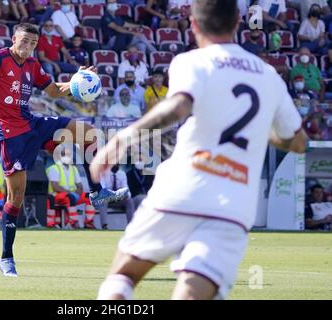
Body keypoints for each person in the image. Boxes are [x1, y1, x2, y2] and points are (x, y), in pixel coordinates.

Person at [90, 0, 308, 300]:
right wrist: (260, 131)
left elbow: (179, 105)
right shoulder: (268, 75)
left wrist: (122, 139)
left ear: (193, 24)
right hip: (232, 204)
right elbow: (298, 142)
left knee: (122, 278)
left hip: (182, 189)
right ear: (238, 23)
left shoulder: (192, 61)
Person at [0, 23, 129, 277]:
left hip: (32, 123)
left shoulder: (32, 66)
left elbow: (52, 90)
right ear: (14, 38)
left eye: (32, 43)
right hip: (10, 133)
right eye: (24, 41)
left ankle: (96, 192)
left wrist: (75, 82)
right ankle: (7, 257)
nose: (28, 46)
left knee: (88, 134)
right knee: (16, 197)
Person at [45, 145, 96, 229]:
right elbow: (55, 187)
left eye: (69, 155)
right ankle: (73, 222)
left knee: (89, 197)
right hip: (57, 195)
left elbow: (79, 186)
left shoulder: (73, 169)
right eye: (65, 155)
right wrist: (71, 193)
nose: (68, 157)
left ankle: (89, 222)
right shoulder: (54, 168)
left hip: (71, 195)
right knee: (70, 197)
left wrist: (78, 194)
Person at [98, 165, 134, 230]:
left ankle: (131, 226)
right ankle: (104, 226)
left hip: (119, 198)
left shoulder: (122, 174)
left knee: (129, 201)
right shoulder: (103, 173)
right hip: (107, 198)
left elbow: (126, 190)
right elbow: (103, 189)